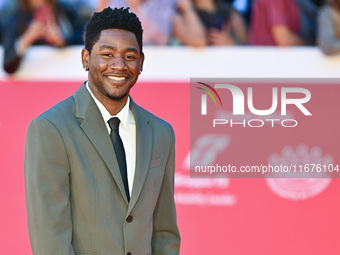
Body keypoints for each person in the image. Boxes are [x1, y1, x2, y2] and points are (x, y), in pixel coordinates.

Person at [24, 7, 180, 255]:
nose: (119, 65)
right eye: (107, 54)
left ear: (141, 62)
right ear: (86, 58)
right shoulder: (51, 129)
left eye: (129, 56)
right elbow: (50, 239)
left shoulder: (161, 133)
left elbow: (164, 231)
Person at [1, 0, 89, 74]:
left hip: (63, 76)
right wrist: (26, 39)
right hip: (30, 80)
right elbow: (8, 66)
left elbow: (84, 35)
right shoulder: (15, 15)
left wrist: (62, 40)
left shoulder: (65, 10)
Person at [97, 0, 177, 45]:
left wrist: (136, 8)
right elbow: (89, 36)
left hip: (153, 64)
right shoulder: (115, 2)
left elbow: (162, 40)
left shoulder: (164, 3)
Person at [174, 0, 248, 46]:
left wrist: (231, 44)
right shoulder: (179, 13)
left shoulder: (231, 14)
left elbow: (247, 46)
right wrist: (187, 9)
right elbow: (197, 41)